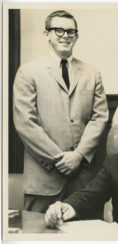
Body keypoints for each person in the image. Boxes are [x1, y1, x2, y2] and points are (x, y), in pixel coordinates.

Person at [13, 10, 109, 213]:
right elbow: (26, 124)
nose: (65, 36)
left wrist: (79, 156)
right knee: (38, 237)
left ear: (77, 36)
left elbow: (100, 118)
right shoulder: (28, 72)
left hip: (84, 177)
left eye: (70, 32)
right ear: (46, 34)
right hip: (43, 178)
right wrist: (61, 159)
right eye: (58, 30)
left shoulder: (92, 73)